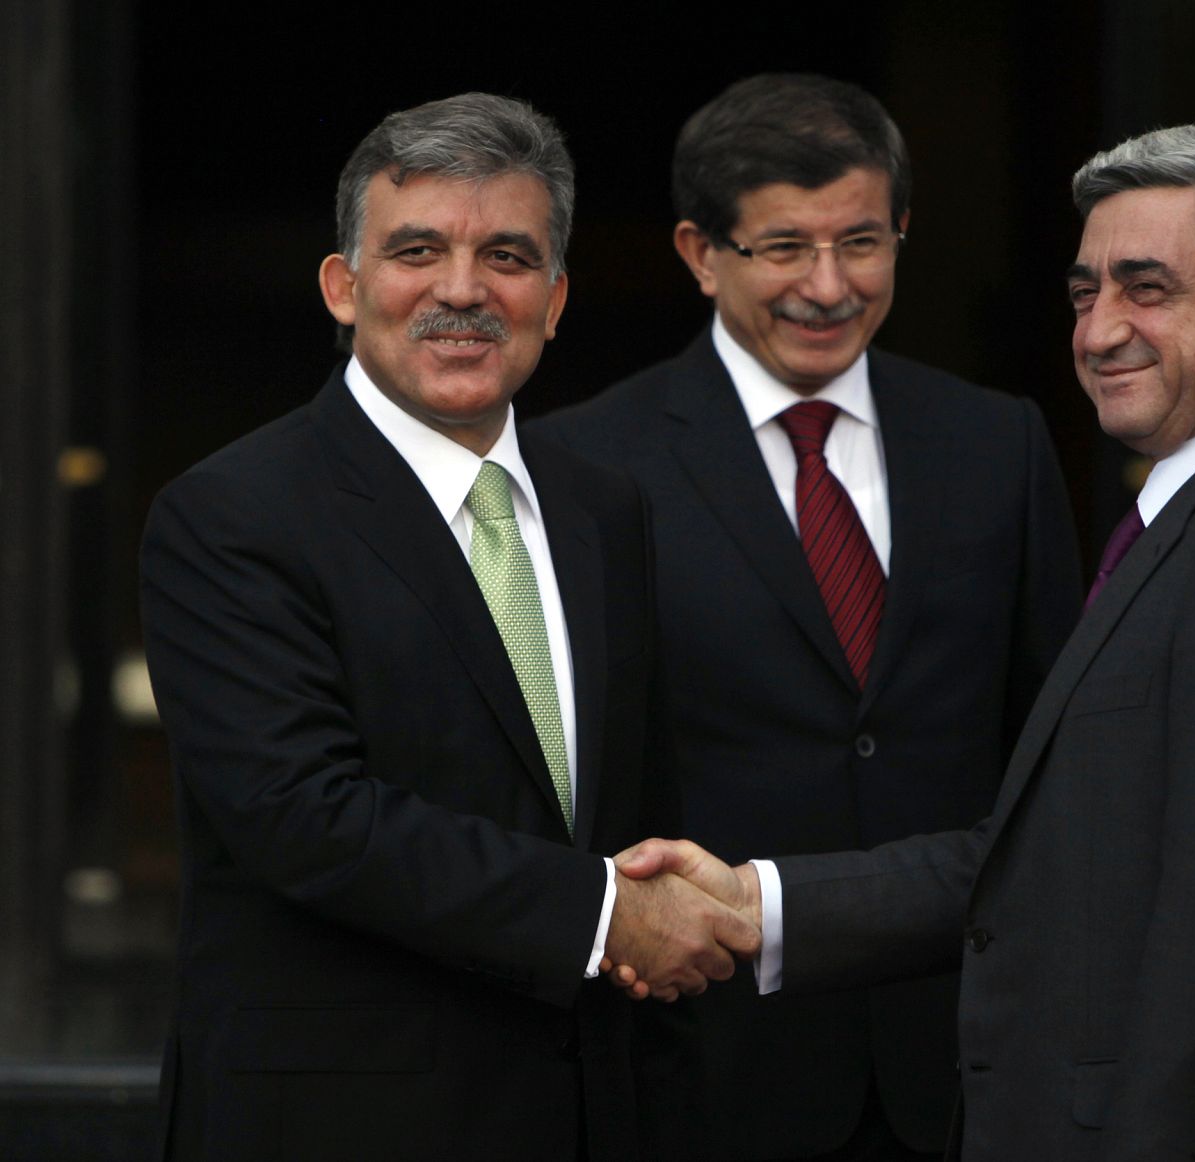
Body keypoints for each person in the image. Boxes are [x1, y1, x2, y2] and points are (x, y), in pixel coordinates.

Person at [617, 124, 1195, 1162]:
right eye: (1086, 292)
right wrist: (754, 902)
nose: (1098, 332)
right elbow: (1055, 852)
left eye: (1146, 289)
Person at [139, 92, 756, 1162]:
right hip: (337, 1127)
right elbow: (303, 816)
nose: (462, 290)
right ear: (345, 286)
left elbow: (637, 813)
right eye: (417, 249)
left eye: (507, 256)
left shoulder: (604, 509)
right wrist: (606, 913)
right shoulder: (231, 513)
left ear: (556, 298)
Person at [538, 74, 1080, 1161]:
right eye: (784, 247)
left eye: (862, 243)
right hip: (706, 1066)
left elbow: (1053, 753)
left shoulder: (997, 444)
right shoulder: (588, 465)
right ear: (700, 253)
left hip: (961, 1061)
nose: (828, 286)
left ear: (903, 233)